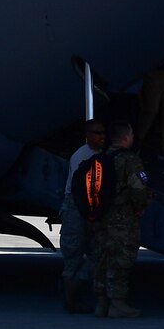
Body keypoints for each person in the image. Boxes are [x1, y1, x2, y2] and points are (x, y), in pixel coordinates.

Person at [89, 120, 150, 318]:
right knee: (121, 258)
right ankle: (117, 303)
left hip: (100, 217)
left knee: (103, 257)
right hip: (122, 219)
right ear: (125, 138)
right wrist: (141, 207)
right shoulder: (130, 161)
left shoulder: (100, 158)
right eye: (131, 134)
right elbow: (138, 190)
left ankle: (101, 303)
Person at [60, 118, 107, 312]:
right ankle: (71, 300)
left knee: (95, 253)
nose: (102, 137)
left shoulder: (98, 155)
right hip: (77, 207)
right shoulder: (82, 157)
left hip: (87, 207)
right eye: (97, 134)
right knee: (74, 255)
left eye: (103, 134)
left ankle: (75, 291)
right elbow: (82, 190)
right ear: (87, 135)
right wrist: (89, 216)